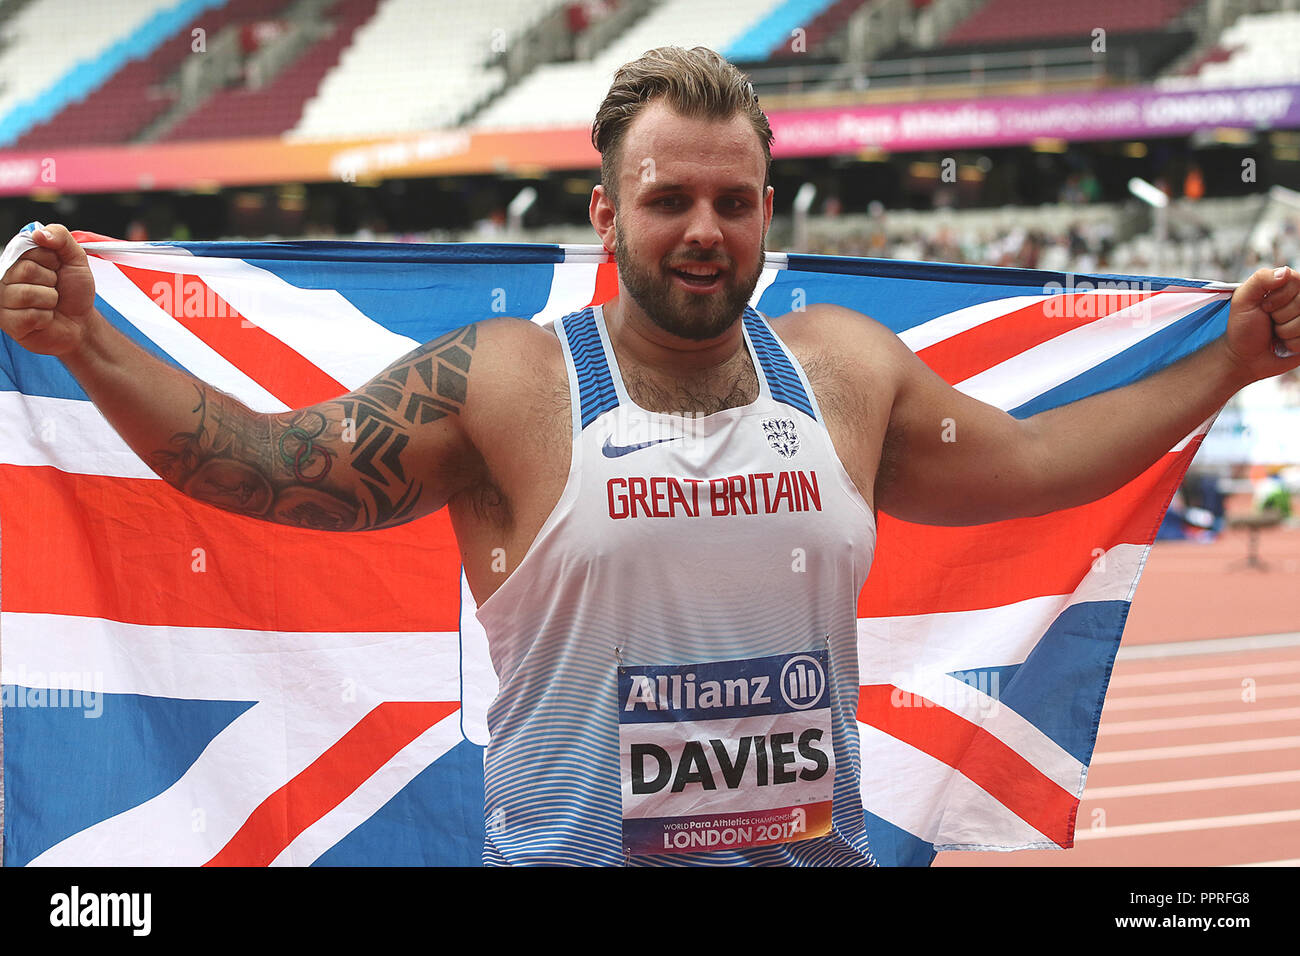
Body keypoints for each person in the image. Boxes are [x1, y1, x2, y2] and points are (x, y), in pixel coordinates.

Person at [3, 46, 1300, 866]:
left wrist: (1227, 363)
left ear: (765, 215)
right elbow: (269, 465)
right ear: (606, 211)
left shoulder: (845, 375)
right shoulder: (509, 382)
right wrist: (93, 347)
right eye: (669, 198)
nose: (702, 230)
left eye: (732, 203)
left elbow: (1037, 463)